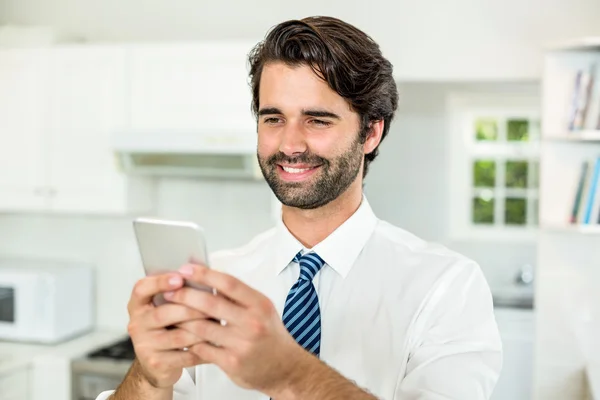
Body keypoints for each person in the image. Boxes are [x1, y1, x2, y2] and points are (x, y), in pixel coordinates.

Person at [97, 16, 502, 400]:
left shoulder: (446, 287)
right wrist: (151, 375)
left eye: (317, 120)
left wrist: (289, 373)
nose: (290, 144)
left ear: (371, 132)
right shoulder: (214, 283)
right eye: (273, 118)